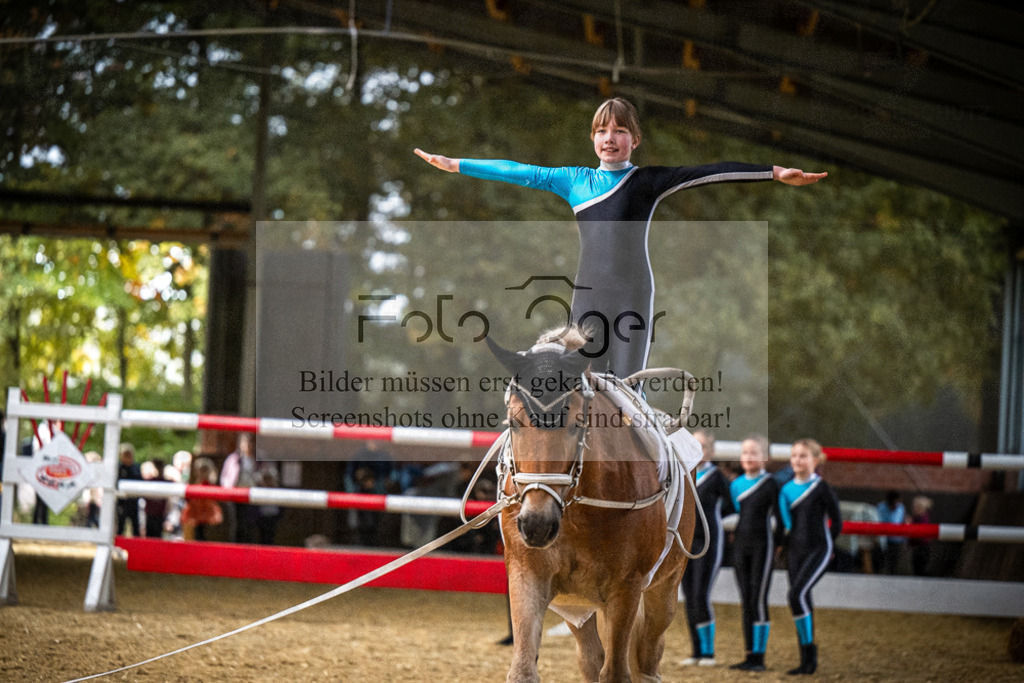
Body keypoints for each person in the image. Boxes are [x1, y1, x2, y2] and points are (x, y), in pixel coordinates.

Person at [415, 97, 826, 379]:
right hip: (588, 299)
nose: (609, 138)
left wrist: (773, 172)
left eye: (619, 130)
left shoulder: (647, 181)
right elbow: (518, 169)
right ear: (592, 138)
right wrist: (457, 164)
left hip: (632, 296)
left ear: (635, 139)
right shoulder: (574, 181)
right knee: (578, 386)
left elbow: (709, 170)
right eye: (602, 131)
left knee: (630, 392)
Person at [778, 438, 843, 675]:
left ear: (815, 461)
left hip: (819, 549)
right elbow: (787, 525)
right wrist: (783, 548)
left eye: (803, 456)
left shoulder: (822, 487)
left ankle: (809, 655)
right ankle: (806, 660)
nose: (797, 460)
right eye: (794, 455)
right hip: (795, 552)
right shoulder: (785, 490)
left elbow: (837, 521)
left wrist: (829, 545)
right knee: (801, 599)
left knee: (796, 595)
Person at [679, 430, 733, 666]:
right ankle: (696, 652)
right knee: (689, 597)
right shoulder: (684, 474)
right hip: (686, 544)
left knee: (701, 595)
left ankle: (708, 653)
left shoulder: (717, 478)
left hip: (709, 543)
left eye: (700, 445)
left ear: (709, 451)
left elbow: (732, 508)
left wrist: (718, 523)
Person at [728, 434, 782, 672]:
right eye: (745, 453)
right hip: (741, 546)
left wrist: (779, 544)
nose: (748, 457)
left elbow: (781, 519)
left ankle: (759, 657)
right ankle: (749, 654)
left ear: (765, 458)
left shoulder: (771, 484)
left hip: (763, 546)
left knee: (758, 600)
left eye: (753, 453)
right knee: (746, 601)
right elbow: (737, 513)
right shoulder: (736, 485)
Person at [219, 433, 261, 543]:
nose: (248, 445)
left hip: (252, 496)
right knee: (236, 524)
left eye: (251, 442)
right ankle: (235, 547)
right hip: (236, 495)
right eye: (246, 442)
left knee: (250, 523)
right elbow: (225, 477)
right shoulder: (233, 459)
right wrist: (228, 490)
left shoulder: (257, 460)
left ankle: (248, 548)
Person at [181, 457, 223, 541]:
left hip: (209, 519)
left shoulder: (212, 486)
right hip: (195, 518)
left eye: (204, 470)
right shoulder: (195, 485)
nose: (201, 473)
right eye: (200, 470)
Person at [876, 490, 907, 574]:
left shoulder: (901, 508)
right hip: (883, 539)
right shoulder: (881, 507)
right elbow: (877, 522)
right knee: (881, 561)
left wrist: (904, 540)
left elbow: (903, 523)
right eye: (896, 502)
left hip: (896, 540)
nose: (898, 504)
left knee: (893, 563)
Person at [116, 443, 142, 537]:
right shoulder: (117, 468)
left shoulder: (136, 468)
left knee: (136, 527)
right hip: (121, 502)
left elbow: (140, 481)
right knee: (120, 526)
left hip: (133, 501)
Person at [909, 495, 934, 576]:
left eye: (915, 507)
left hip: (922, 547)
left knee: (920, 569)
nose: (913, 509)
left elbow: (920, 534)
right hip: (917, 547)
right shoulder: (916, 518)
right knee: (917, 568)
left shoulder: (922, 519)